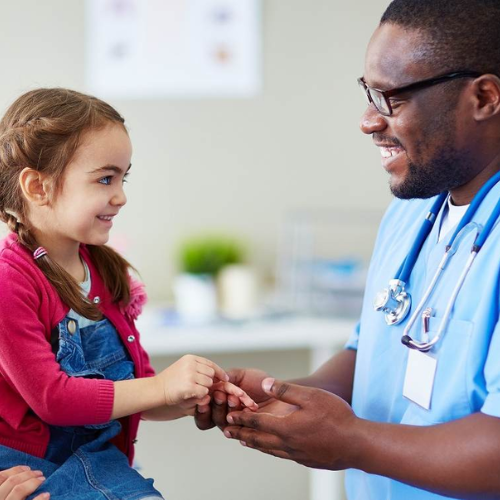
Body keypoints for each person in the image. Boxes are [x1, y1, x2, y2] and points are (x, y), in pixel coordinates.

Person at [195, 0, 500, 498]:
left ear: (484, 97)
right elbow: (372, 354)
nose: (367, 121)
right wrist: (282, 396)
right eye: (368, 93)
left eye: (390, 100)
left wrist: (353, 443)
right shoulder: (411, 209)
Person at [0, 88, 257, 500]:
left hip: (100, 460)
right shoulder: (9, 282)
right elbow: (54, 399)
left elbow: (134, 391)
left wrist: (186, 396)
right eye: (105, 178)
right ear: (38, 187)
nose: (121, 196)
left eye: (123, 177)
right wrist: (161, 388)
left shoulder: (104, 267)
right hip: (38, 468)